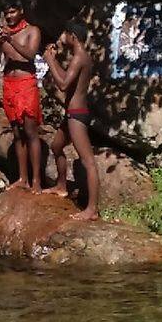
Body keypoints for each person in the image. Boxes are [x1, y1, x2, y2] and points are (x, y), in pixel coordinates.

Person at [41, 23, 101, 221]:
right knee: (56, 145)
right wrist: (54, 59)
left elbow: (63, 84)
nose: (62, 37)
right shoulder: (80, 56)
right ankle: (61, 185)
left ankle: (92, 209)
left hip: (77, 114)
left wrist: (50, 61)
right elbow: (66, 78)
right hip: (71, 113)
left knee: (88, 161)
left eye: (65, 33)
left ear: (73, 36)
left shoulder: (79, 57)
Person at [0, 0, 44, 193]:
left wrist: (11, 39)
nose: (9, 17)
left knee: (30, 132)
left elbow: (29, 56)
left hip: (26, 84)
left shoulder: (32, 31)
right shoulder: (3, 35)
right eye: (6, 14)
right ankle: (23, 178)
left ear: (21, 11)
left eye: (13, 12)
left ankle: (36, 181)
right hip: (9, 84)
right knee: (17, 133)